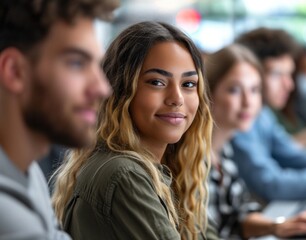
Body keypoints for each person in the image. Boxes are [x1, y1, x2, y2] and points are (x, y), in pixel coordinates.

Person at [52, 21, 217, 240]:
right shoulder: (125, 175)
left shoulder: (170, 166)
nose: (177, 98)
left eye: (188, 84)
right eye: (157, 82)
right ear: (120, 91)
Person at [0, 0, 119, 239]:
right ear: (14, 71)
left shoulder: (27, 170)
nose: (102, 88)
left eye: (96, 65)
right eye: (76, 63)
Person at [205, 44, 306, 240]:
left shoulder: (224, 151)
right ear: (208, 93)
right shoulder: (194, 158)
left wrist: (278, 226)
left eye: (254, 90)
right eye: (234, 90)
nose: (248, 102)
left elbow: (237, 217)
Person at [231, 27, 306, 201]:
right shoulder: (239, 120)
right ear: (251, 73)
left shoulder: (263, 115)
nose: (289, 85)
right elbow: (271, 184)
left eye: (289, 74)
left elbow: (294, 156)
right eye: (278, 74)